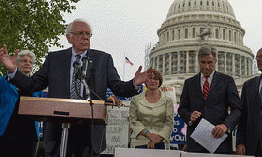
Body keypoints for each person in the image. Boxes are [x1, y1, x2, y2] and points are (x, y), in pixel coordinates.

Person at [0, 19, 151, 157]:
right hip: (57, 129)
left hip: (89, 131)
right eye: (80, 34)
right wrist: (14, 72)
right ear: (69, 37)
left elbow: (119, 88)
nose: (85, 37)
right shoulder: (55, 59)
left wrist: (135, 83)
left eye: (88, 34)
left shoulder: (102, 60)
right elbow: (32, 85)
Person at [178, 45, 242, 154]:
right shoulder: (189, 83)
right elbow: (182, 108)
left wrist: (226, 125)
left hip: (219, 139)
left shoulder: (227, 81)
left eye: (210, 63)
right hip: (196, 141)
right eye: (203, 63)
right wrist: (189, 116)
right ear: (198, 61)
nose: (207, 67)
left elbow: (237, 109)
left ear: (215, 61)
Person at [0, 50, 43, 156]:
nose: (28, 63)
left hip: (30, 134)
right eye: (24, 61)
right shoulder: (3, 82)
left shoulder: (37, 87)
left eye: (30, 62)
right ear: (16, 63)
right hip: (6, 132)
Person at [129, 69, 174, 149]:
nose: (152, 81)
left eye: (155, 79)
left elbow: (169, 123)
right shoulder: (135, 99)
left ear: (160, 81)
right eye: (150, 78)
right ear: (145, 81)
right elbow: (133, 121)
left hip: (161, 142)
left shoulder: (168, 100)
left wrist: (157, 139)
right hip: (139, 142)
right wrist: (148, 134)